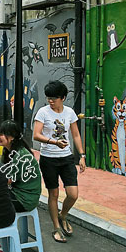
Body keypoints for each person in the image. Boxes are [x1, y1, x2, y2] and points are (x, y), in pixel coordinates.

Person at [33, 80, 86, 243]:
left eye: (54, 98)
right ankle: (56, 227)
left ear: (63, 98)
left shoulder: (69, 113)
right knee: (53, 193)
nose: (50, 101)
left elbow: (76, 135)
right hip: (49, 158)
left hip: (67, 158)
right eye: (48, 97)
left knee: (73, 194)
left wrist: (82, 155)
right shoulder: (43, 112)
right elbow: (36, 134)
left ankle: (63, 215)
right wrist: (53, 142)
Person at [0, 120, 41, 212]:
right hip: (16, 192)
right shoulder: (7, 151)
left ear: (12, 137)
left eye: (1, 134)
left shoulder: (20, 155)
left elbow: (6, 180)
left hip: (25, 200)